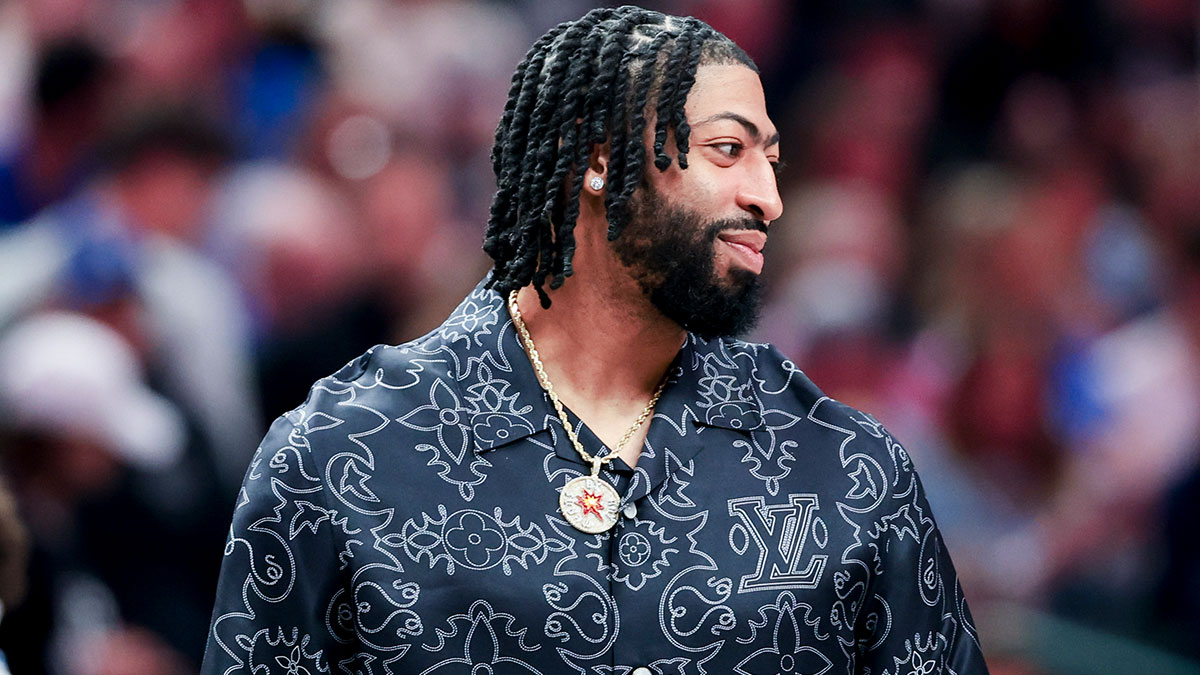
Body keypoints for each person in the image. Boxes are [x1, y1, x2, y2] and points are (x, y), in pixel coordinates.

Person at [202, 7, 988, 674]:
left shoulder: (847, 469)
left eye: (770, 160)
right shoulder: (342, 455)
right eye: (727, 151)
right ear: (602, 162)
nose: (767, 198)